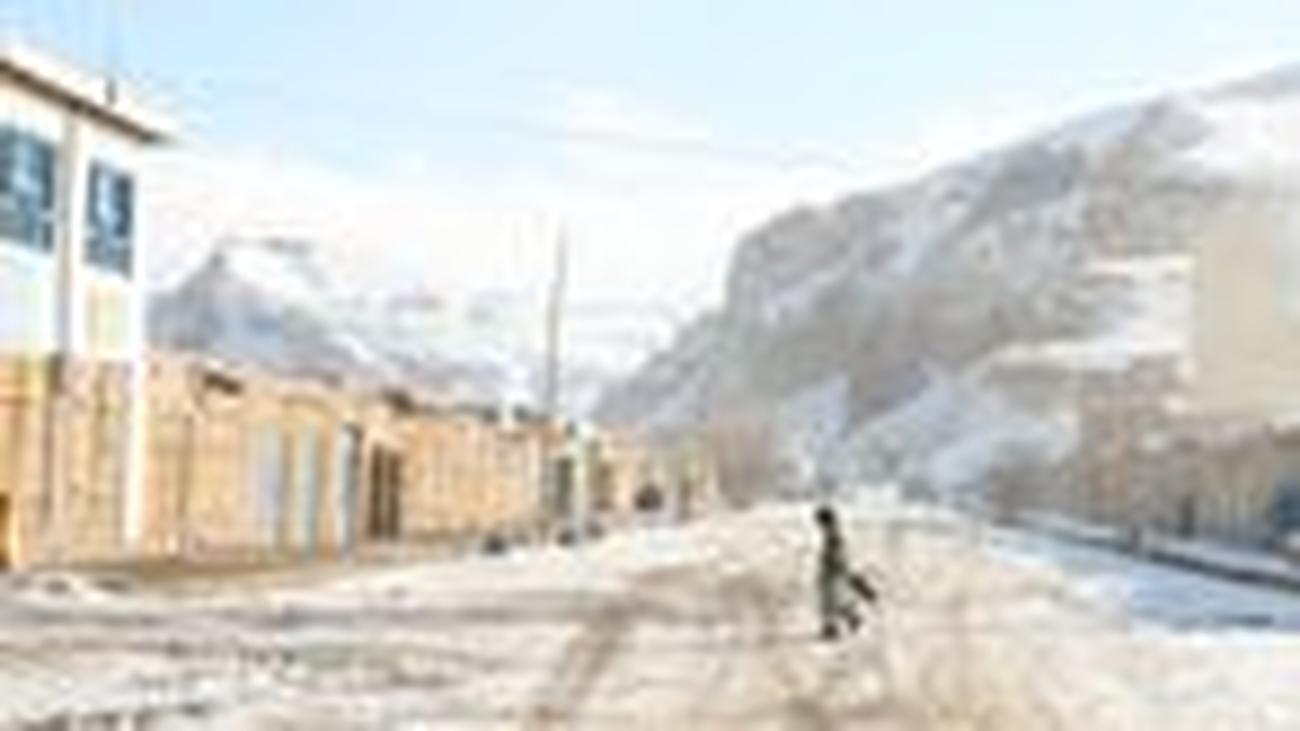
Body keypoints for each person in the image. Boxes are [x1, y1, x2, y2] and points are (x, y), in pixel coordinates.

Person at [813, 504, 878, 640]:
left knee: (831, 601)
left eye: (820, 522)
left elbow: (837, 554)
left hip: (834, 572)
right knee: (837, 600)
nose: (819, 525)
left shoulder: (833, 535)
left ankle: (833, 628)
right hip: (835, 571)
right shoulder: (832, 533)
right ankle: (851, 620)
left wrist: (831, 564)